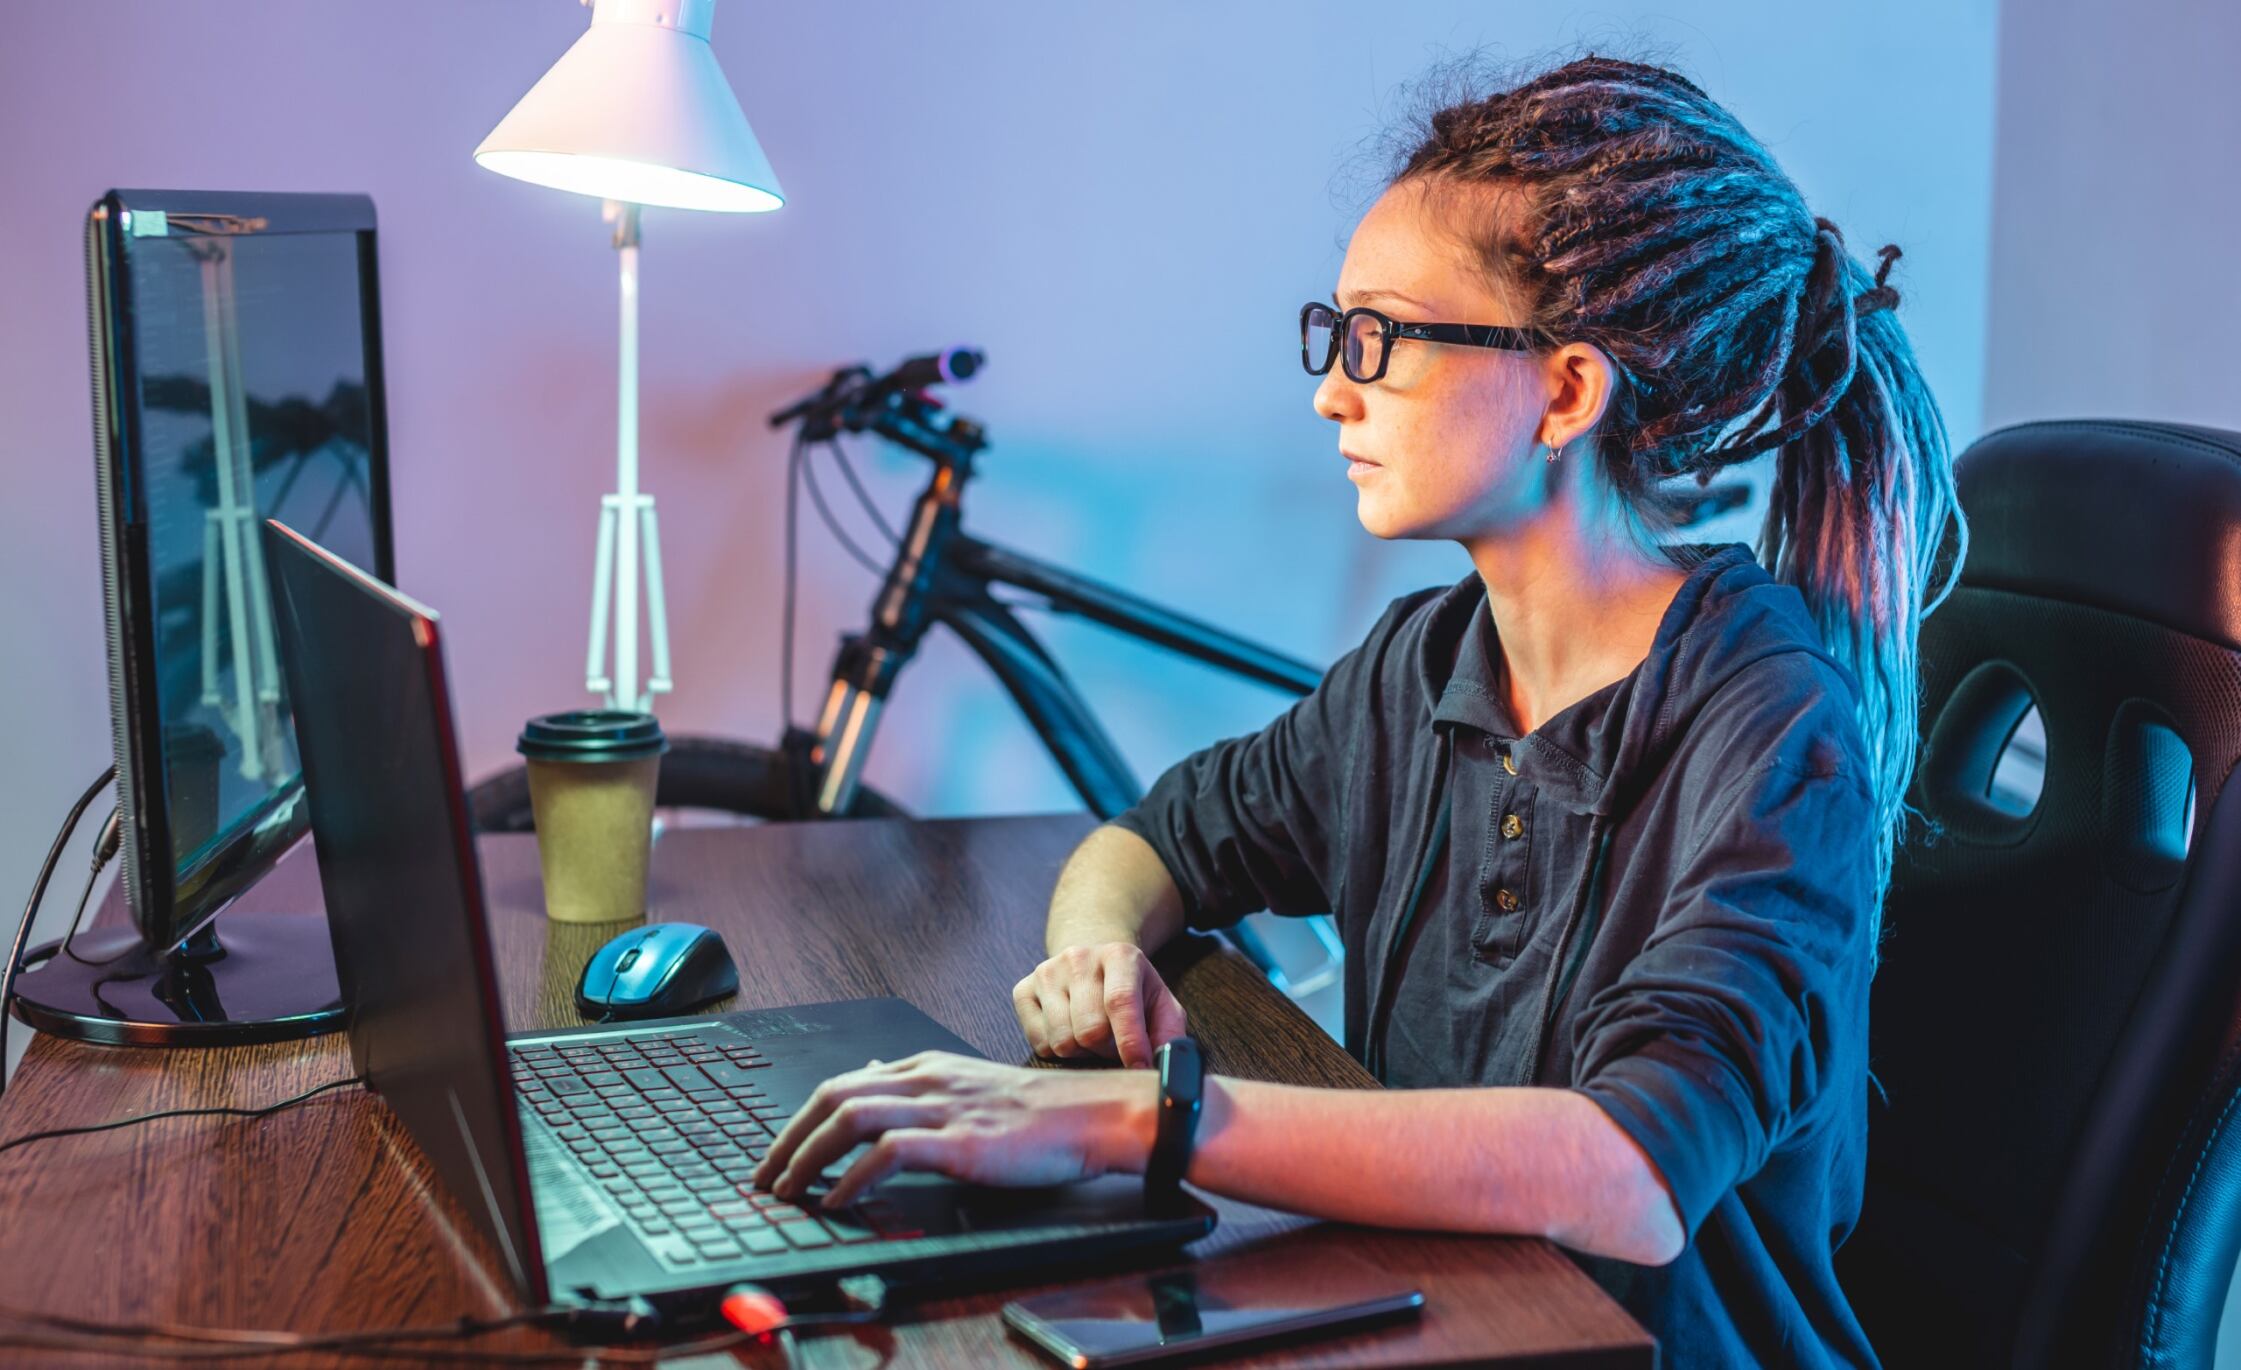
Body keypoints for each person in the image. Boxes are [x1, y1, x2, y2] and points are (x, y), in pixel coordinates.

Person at [751, 52, 1967, 1366]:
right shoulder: (1423, 665)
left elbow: (1625, 1170)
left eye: (1378, 339)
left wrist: (1145, 1116)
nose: (1332, 388)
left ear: (1564, 390)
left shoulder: (1770, 727)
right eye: (1331, 336)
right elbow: (1155, 835)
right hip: (1449, 1320)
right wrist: (1095, 951)